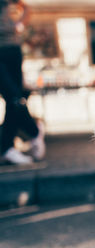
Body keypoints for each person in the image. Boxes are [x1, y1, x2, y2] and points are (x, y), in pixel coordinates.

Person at [0, 0, 45, 164]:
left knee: (14, 98)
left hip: (11, 49)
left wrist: (18, 25)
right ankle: (33, 132)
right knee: (13, 97)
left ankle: (7, 148)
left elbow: (24, 6)